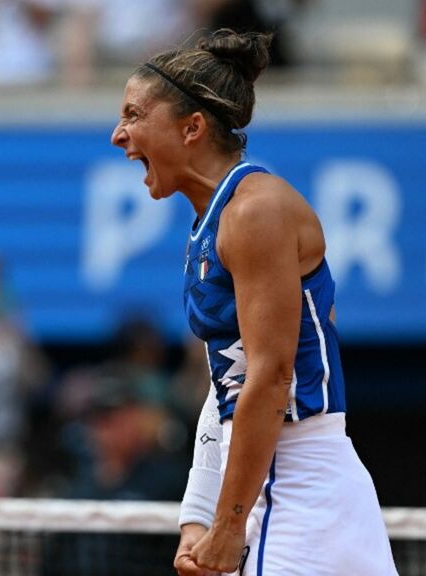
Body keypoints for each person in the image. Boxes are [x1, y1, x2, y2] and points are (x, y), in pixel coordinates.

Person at [110, 30, 397, 575]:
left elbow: (271, 379)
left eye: (133, 114)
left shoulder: (254, 211)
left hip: (298, 490)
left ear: (191, 127)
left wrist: (228, 525)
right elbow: (230, 389)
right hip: (283, 484)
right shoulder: (215, 220)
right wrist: (199, 516)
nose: (117, 134)